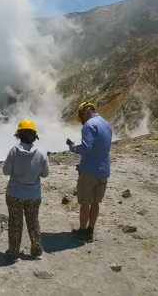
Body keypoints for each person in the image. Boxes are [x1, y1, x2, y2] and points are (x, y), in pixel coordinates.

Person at [2, 119, 49, 262]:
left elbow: (6, 171)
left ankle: (14, 253)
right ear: (34, 136)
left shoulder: (14, 151)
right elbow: (45, 174)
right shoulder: (41, 153)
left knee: (15, 223)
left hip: (15, 194)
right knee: (33, 221)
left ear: (18, 135)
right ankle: (36, 251)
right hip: (34, 195)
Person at [67, 102, 112, 243]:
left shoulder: (89, 125)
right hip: (104, 170)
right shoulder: (106, 124)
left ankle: (81, 231)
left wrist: (73, 148)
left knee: (85, 202)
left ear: (84, 112)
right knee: (96, 202)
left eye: (81, 117)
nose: (82, 121)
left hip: (89, 171)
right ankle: (90, 231)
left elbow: (86, 147)